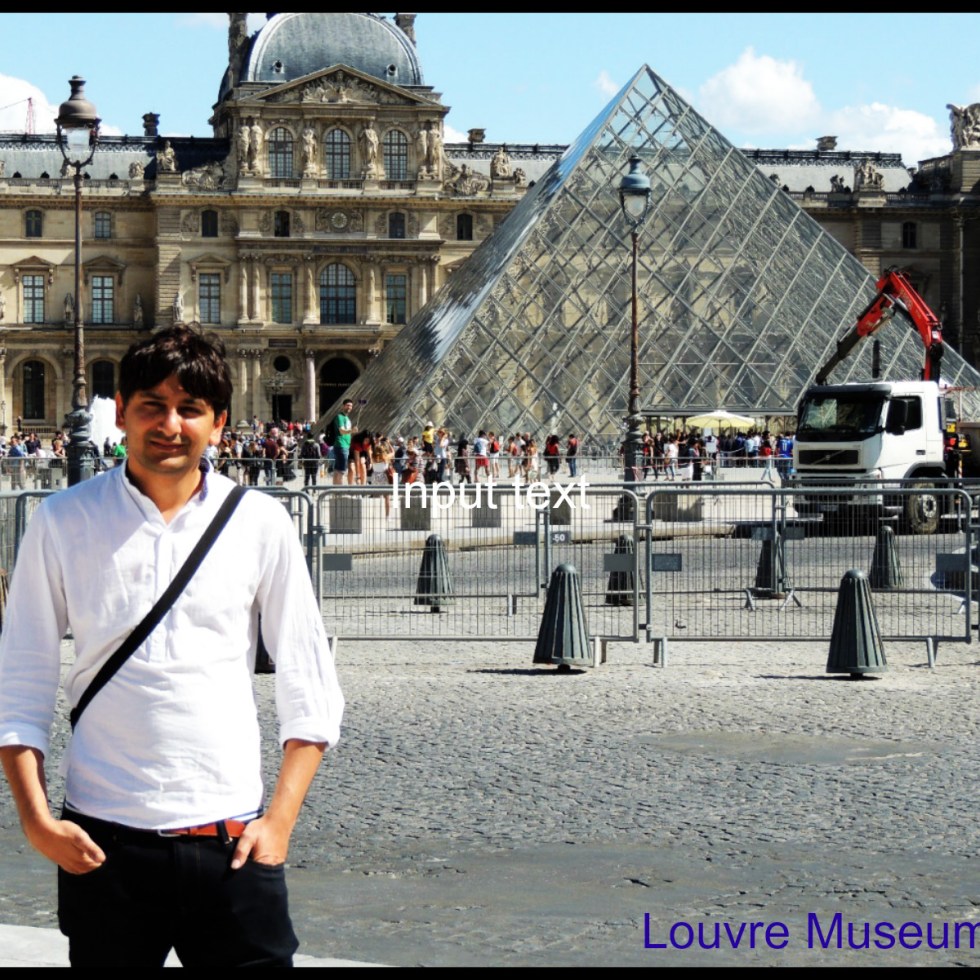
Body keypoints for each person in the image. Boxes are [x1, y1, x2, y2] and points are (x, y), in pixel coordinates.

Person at [0, 324, 344, 968]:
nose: (170, 425)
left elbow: (311, 684)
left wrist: (279, 824)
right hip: (101, 842)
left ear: (218, 423)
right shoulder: (62, 520)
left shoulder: (261, 522)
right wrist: (36, 821)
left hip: (233, 838)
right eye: (152, 406)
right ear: (121, 412)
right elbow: (18, 684)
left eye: (190, 408)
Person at [331, 399, 354, 486]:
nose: (349, 407)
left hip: (344, 445)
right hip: (341, 445)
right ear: (343, 406)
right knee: (341, 470)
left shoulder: (347, 418)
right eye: (347, 405)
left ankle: (335, 489)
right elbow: (341, 431)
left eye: (351, 406)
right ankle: (340, 490)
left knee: (337, 469)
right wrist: (352, 431)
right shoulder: (340, 417)